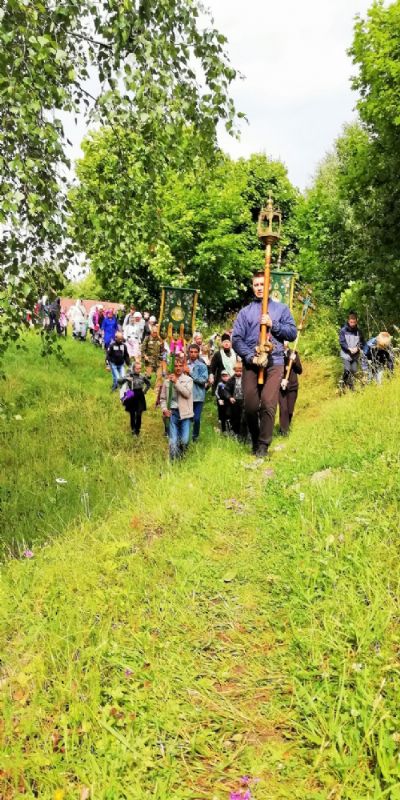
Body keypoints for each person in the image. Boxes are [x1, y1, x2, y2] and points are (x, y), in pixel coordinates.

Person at [232, 271, 297, 457]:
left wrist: (273, 324)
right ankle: (255, 439)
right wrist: (250, 357)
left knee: (268, 403)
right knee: (251, 406)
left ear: (268, 285)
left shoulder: (281, 309)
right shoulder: (245, 312)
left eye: (262, 284)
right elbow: (236, 339)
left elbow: (292, 333)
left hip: (275, 361)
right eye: (256, 285)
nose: (259, 288)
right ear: (253, 287)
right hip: (252, 362)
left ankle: (263, 445)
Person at [160, 360, 193, 461]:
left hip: (185, 414)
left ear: (183, 366)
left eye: (180, 365)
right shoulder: (166, 381)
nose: (178, 368)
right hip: (172, 413)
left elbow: (187, 394)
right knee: (173, 441)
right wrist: (164, 409)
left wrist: (176, 382)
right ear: (172, 367)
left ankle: (181, 458)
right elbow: (163, 398)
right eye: (176, 366)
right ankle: (173, 463)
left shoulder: (188, 380)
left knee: (184, 440)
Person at [119, 362, 151, 436]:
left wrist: (144, 391)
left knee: (139, 414)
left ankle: (137, 430)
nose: (139, 370)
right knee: (132, 414)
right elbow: (119, 381)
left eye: (140, 368)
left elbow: (148, 384)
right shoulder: (129, 375)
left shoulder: (142, 376)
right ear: (133, 368)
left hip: (140, 395)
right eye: (137, 368)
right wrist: (126, 379)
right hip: (131, 393)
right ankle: (133, 429)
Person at [186, 343, 209, 442]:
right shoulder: (184, 364)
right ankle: (185, 437)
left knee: (196, 419)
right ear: (188, 352)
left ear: (198, 353)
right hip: (186, 395)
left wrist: (190, 373)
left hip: (198, 396)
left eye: (195, 352)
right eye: (191, 352)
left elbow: (203, 380)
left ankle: (195, 437)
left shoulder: (202, 366)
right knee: (186, 418)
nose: (193, 354)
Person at [278, 342, 303, 435]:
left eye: (285, 340)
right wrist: (280, 380)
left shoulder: (294, 353)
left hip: (292, 386)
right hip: (280, 386)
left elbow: (300, 370)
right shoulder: (277, 355)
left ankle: (286, 426)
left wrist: (294, 361)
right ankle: (284, 432)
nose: (284, 342)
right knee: (283, 408)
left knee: (289, 410)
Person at [339, 312, 364, 390]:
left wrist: (357, 348)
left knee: (354, 370)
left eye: (354, 322)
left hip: (355, 355)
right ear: (348, 321)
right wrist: (349, 348)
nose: (352, 324)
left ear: (356, 321)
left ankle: (345, 384)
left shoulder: (359, 331)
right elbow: (342, 342)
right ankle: (348, 387)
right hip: (346, 354)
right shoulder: (343, 330)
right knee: (347, 370)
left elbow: (362, 342)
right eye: (351, 322)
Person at [223, 361, 246, 439]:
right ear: (234, 370)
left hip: (243, 401)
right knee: (235, 417)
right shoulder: (231, 380)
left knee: (243, 417)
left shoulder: (245, 379)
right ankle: (235, 432)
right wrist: (230, 397)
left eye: (240, 371)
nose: (238, 373)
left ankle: (243, 433)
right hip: (235, 401)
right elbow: (226, 390)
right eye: (236, 371)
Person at [215, 369, 230, 433]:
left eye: (226, 376)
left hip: (228, 401)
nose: (225, 377)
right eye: (223, 376)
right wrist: (219, 399)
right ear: (221, 377)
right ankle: (223, 430)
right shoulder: (220, 384)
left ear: (229, 376)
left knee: (228, 414)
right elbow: (216, 392)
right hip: (221, 401)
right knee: (222, 415)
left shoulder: (230, 384)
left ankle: (229, 428)